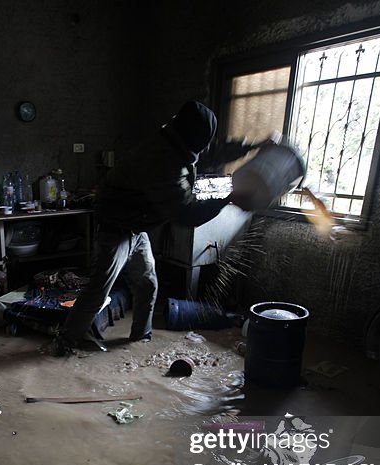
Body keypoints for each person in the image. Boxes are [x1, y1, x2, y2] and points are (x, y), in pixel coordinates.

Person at [49, 100, 267, 356]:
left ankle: (141, 338)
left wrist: (253, 147)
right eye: (203, 141)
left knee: (147, 283)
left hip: (136, 226)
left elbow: (212, 151)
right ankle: (65, 343)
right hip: (116, 226)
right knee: (99, 289)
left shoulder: (176, 142)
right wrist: (228, 199)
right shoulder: (165, 163)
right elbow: (187, 214)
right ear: (193, 138)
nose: (205, 146)